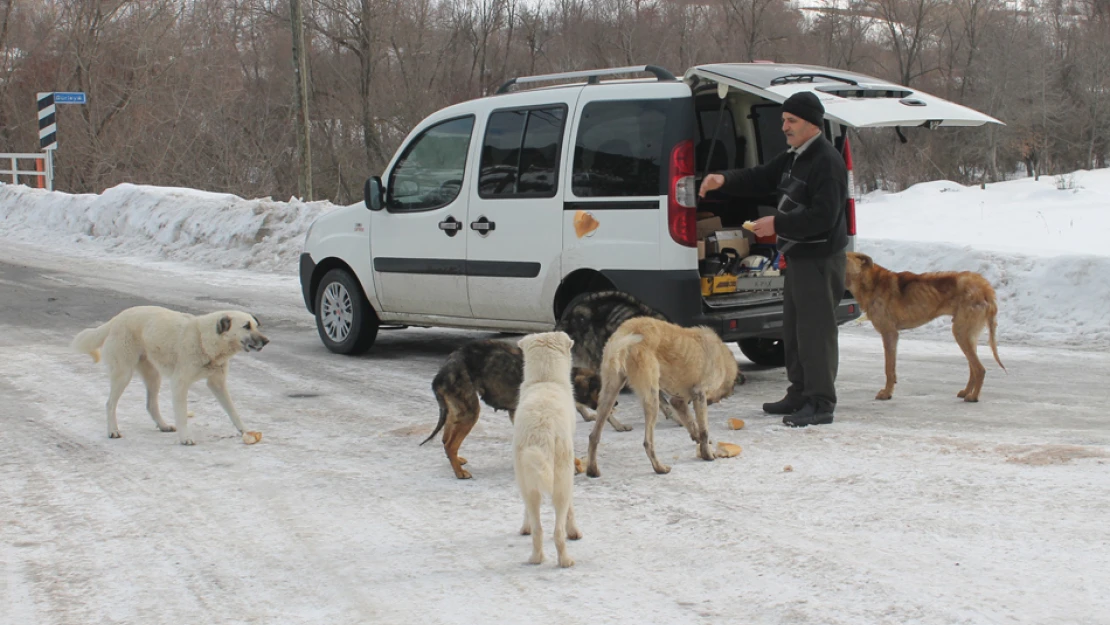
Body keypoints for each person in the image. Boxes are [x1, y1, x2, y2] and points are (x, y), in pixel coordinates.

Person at [698, 91, 848, 427]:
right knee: (794, 330)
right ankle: (799, 393)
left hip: (821, 259)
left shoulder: (827, 161)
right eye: (783, 120)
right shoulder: (796, 156)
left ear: (812, 123)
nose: (784, 127)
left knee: (816, 333)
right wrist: (724, 179)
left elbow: (824, 216)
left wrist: (777, 223)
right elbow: (761, 176)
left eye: (791, 121)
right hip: (798, 256)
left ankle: (821, 402)